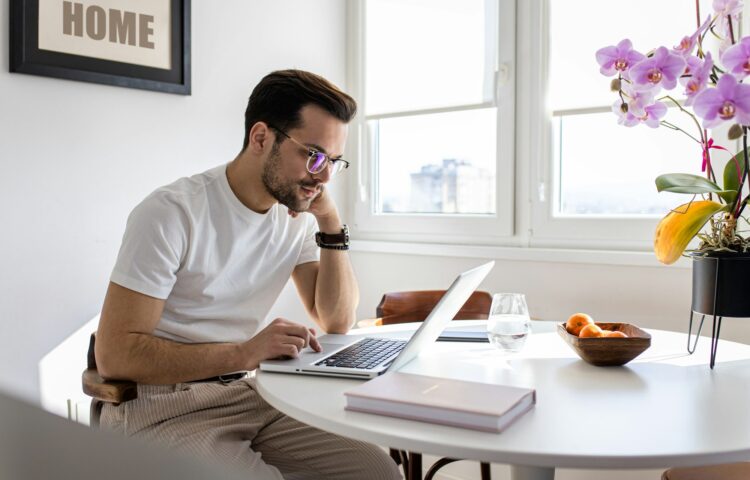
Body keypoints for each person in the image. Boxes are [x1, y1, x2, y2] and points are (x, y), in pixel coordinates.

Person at [95, 69, 402, 480]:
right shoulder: (172, 213)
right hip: (161, 406)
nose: (324, 175)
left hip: (249, 393)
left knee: (376, 471)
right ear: (261, 138)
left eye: (332, 161)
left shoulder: (296, 216)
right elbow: (115, 357)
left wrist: (330, 222)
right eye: (313, 154)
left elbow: (335, 319)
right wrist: (246, 352)